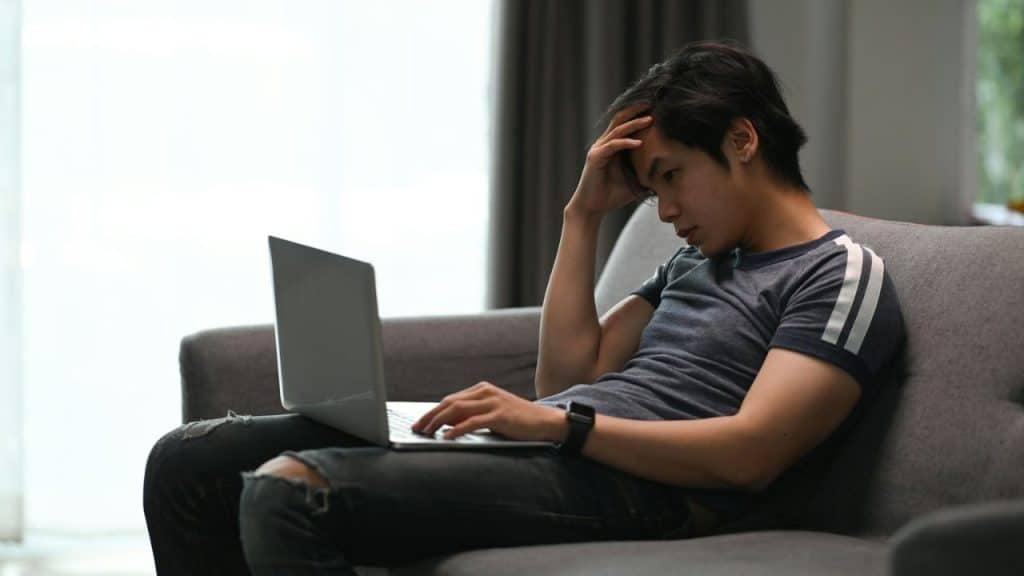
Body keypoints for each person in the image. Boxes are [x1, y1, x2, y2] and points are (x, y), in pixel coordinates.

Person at [143, 38, 905, 575]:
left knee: (289, 494)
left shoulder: (838, 275)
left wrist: (560, 425)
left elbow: (749, 455)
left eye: (672, 176)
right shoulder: (698, 257)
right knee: (186, 462)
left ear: (742, 140)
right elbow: (571, 373)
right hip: (569, 448)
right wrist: (583, 216)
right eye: (653, 187)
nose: (665, 208)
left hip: (656, 492)